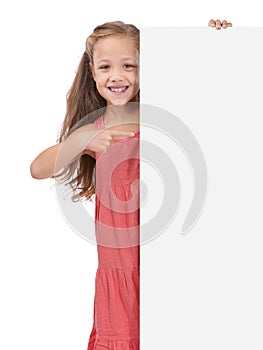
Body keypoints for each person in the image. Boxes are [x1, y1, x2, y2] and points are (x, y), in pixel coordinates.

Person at [30, 19, 232, 350]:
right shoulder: (93, 131)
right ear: (92, 73)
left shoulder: (164, 119)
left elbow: (216, 97)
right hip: (119, 276)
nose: (117, 75)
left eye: (129, 65)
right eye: (106, 66)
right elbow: (37, 169)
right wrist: (83, 140)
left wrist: (215, 44)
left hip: (171, 268)